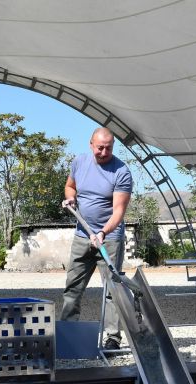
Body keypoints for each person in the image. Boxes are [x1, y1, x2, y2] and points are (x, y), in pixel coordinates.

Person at [60, 127, 133, 350]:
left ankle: (113, 338)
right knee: (72, 287)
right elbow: (70, 186)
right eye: (100, 147)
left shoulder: (121, 171)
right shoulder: (79, 162)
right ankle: (68, 334)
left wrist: (103, 232)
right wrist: (70, 199)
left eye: (108, 148)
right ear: (91, 144)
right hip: (82, 235)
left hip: (108, 239)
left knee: (112, 289)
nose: (103, 152)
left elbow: (119, 212)